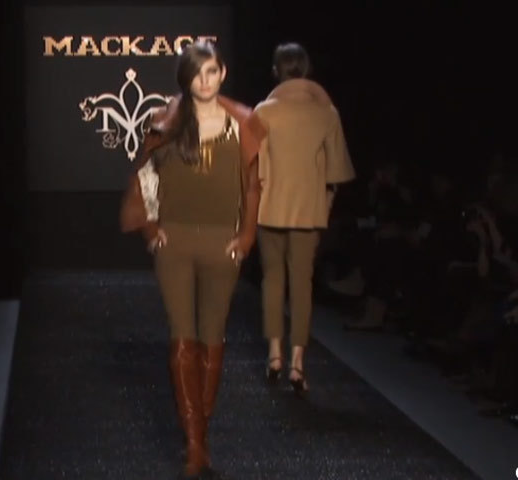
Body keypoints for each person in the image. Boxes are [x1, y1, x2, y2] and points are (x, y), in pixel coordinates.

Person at [119, 40, 260, 479]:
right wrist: (150, 229)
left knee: (213, 337)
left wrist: (247, 236)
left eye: (212, 71)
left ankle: (201, 433)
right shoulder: (166, 122)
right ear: (186, 79)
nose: (205, 80)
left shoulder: (243, 123)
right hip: (176, 242)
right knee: (182, 337)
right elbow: (146, 177)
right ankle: (196, 446)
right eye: (197, 73)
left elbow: (254, 185)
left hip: (223, 243)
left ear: (223, 73)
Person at [249, 42, 355, 395]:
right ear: (307, 70)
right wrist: (324, 204)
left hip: (270, 207)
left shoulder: (264, 111)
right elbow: (337, 172)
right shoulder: (326, 113)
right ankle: (297, 362)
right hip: (309, 211)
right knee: (302, 284)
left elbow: (251, 164)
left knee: (272, 280)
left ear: (276, 71)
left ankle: (274, 355)